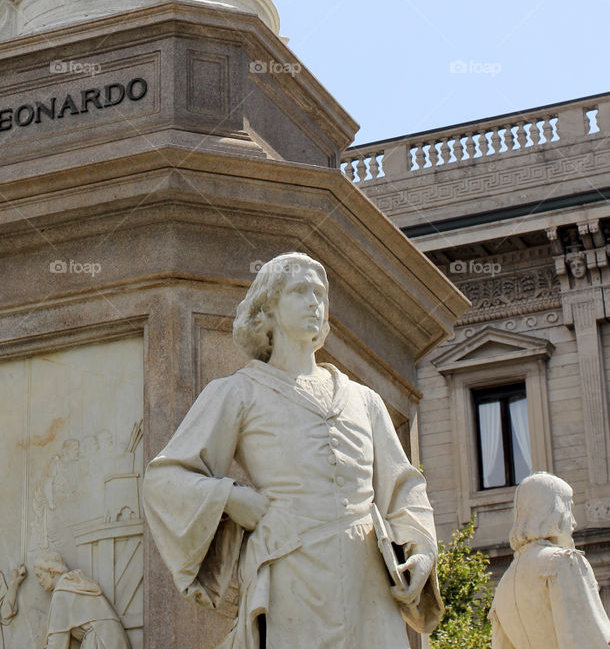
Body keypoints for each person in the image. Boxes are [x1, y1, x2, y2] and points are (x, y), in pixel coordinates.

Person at [143, 252, 443, 648]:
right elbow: (165, 479)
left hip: (368, 582)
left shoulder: (363, 399)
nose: (314, 302)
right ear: (267, 309)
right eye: (300, 291)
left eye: (320, 293)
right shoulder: (238, 392)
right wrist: (230, 497)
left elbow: (403, 486)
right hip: (293, 576)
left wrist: (421, 548)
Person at [490, 472, 610, 649]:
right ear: (554, 512)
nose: (574, 522)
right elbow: (590, 640)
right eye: (569, 508)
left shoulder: (504, 584)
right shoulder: (563, 562)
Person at [34, 552, 131, 649]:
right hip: (114, 640)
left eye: (39, 575)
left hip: (101, 642)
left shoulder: (62, 593)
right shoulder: (72, 583)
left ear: (51, 572)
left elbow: (57, 643)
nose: (39, 582)